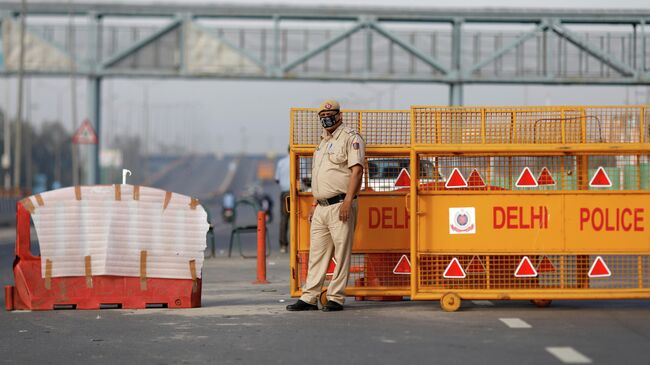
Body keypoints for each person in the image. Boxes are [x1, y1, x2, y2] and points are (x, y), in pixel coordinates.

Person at [286, 99, 365, 312]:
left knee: (341, 253)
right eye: (322, 116)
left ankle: (336, 297)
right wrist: (314, 204)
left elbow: (357, 171)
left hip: (341, 204)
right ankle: (309, 297)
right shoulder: (321, 143)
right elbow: (319, 176)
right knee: (317, 254)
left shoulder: (350, 138)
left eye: (330, 114)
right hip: (321, 207)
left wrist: (348, 201)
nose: (326, 118)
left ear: (339, 115)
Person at [275, 148, 291, 253]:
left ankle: (283, 245)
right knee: (299, 218)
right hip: (297, 194)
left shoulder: (281, 162)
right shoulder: (299, 160)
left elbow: (277, 179)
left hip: (285, 193)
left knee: (284, 219)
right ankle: (299, 242)